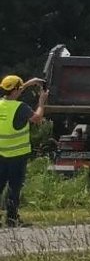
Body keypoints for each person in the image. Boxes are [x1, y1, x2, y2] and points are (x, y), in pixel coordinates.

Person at [0, 74, 48, 228]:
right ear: (16, 90)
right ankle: (12, 219)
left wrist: (28, 84)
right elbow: (37, 119)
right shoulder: (21, 108)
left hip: (1, 153)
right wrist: (42, 102)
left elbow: (14, 92)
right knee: (14, 187)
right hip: (17, 155)